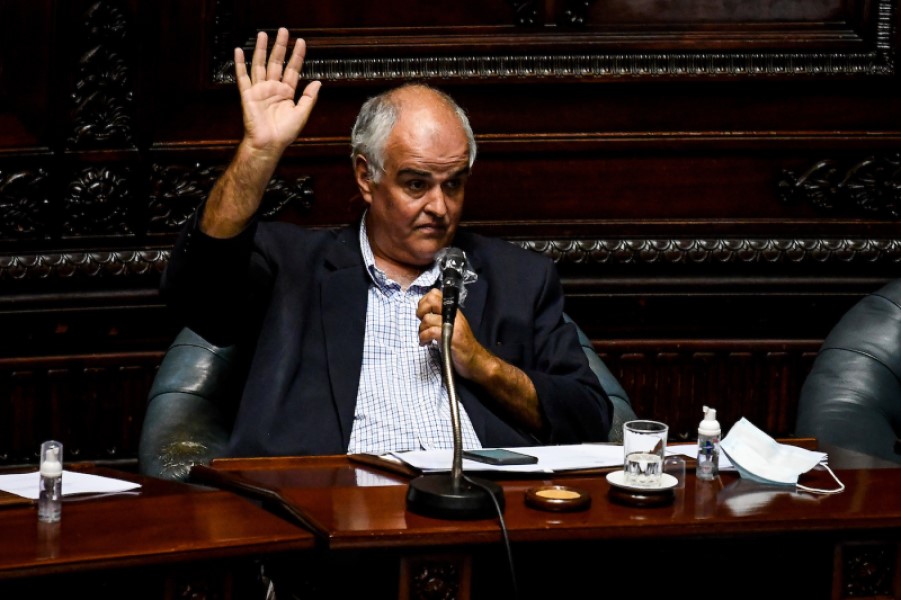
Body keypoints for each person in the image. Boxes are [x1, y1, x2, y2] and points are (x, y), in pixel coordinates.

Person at [161, 27, 612, 458]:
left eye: (453, 184)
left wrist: (483, 365)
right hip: (333, 512)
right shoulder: (292, 268)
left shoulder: (519, 279)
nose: (440, 206)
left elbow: (590, 417)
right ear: (366, 177)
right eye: (417, 184)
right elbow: (198, 295)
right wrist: (258, 153)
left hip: (481, 508)